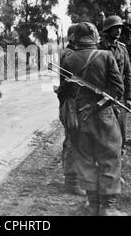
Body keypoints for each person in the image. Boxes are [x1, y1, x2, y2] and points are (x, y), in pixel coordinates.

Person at [62, 22, 125, 216]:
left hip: (79, 117)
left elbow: (64, 93)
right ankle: (108, 207)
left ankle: (92, 204)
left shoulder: (68, 59)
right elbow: (118, 90)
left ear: (77, 38)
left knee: (85, 158)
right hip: (103, 116)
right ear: (95, 36)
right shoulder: (106, 56)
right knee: (109, 157)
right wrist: (97, 104)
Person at [98, 16, 131, 154]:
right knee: (104, 131)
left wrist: (129, 97)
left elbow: (128, 74)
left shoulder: (122, 49)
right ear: (108, 30)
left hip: (119, 96)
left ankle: (119, 155)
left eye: (120, 28)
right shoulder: (98, 47)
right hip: (103, 95)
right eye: (115, 28)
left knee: (121, 129)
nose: (118, 30)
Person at [57, 24, 85, 196]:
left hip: (75, 101)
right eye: (79, 36)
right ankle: (71, 181)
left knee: (78, 139)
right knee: (72, 140)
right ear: (72, 37)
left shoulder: (72, 53)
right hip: (71, 103)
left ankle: (77, 178)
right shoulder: (69, 54)